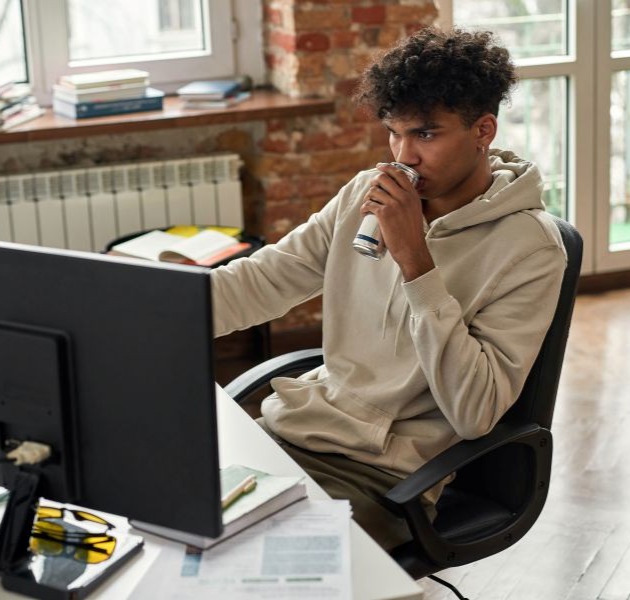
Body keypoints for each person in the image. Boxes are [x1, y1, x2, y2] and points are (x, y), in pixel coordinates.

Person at [209, 27, 566, 550]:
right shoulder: (364, 193)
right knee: (169, 524)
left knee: (262, 569)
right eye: (394, 133)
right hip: (291, 434)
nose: (404, 156)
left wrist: (415, 261)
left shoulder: (531, 249)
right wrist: (154, 309)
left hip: (381, 477)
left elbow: (476, 411)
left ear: (483, 130)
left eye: (424, 134)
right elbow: (264, 279)